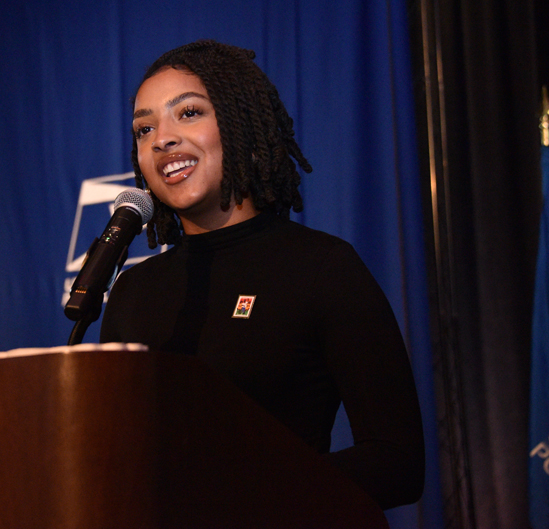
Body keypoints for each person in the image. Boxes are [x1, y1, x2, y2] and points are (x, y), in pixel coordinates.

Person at [100, 40, 424, 510]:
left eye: (188, 113)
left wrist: (246, 491)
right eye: (143, 127)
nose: (161, 139)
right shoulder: (132, 291)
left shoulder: (320, 267)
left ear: (238, 122)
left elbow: (398, 463)